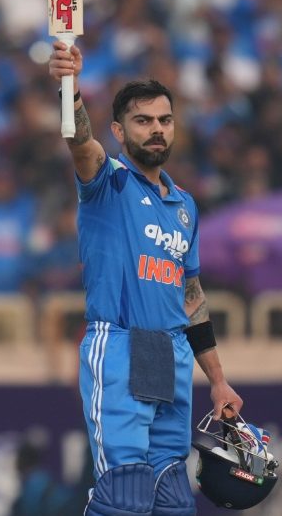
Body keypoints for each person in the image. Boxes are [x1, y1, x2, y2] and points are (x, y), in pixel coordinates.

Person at [48, 41, 244, 516]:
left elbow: (191, 296)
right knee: (124, 496)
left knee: (173, 497)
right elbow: (80, 144)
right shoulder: (107, 182)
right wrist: (69, 89)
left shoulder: (184, 206)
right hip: (119, 345)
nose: (156, 130)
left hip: (170, 353)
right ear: (118, 130)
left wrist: (217, 380)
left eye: (165, 120)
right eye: (143, 121)